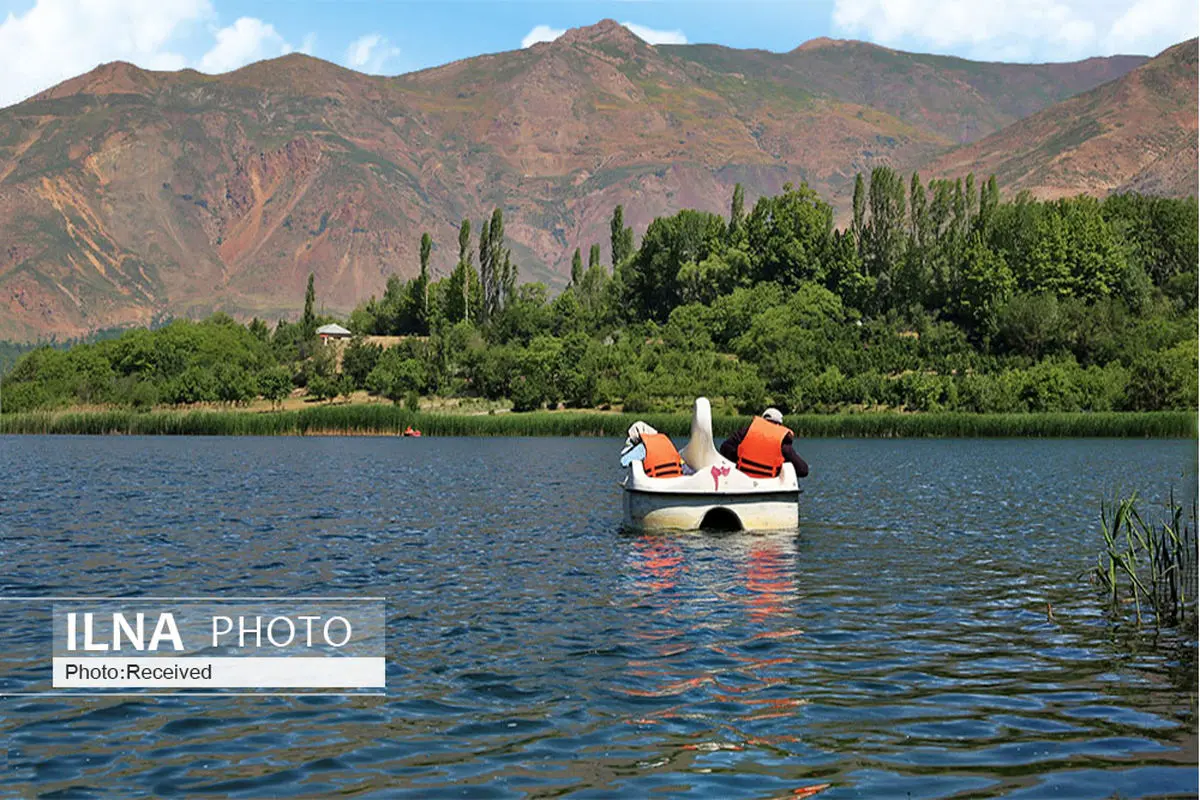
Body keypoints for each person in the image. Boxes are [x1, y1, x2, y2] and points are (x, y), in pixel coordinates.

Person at [719, 408, 808, 478]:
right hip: (768, 483)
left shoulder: (745, 433)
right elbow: (803, 470)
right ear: (779, 425)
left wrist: (738, 459)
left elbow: (724, 448)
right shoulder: (781, 441)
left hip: (742, 479)